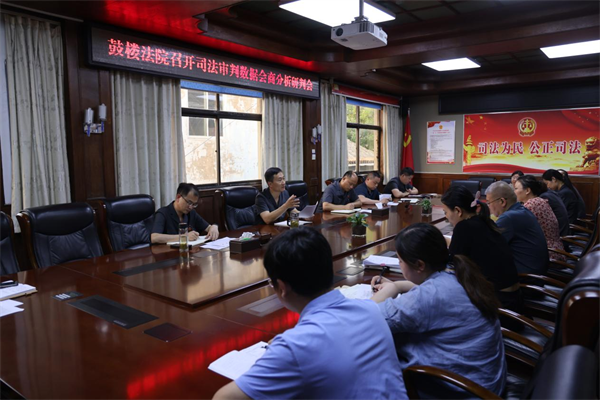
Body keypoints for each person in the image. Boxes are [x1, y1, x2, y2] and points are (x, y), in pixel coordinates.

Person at [213, 228, 403, 400]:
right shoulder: (371, 310)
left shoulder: (295, 346)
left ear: (282, 288)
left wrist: (284, 351)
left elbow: (222, 398)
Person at [371, 223, 506, 399]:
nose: (399, 264)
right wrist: (397, 286)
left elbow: (367, 318)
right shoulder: (458, 272)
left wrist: (389, 290)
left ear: (419, 265)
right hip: (485, 382)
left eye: (400, 260)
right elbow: (438, 296)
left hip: (464, 391)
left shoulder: (429, 295)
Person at [441, 186, 521, 312]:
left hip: (498, 305)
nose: (446, 217)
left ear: (458, 210)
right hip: (514, 300)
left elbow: (451, 265)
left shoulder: (463, 227)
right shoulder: (485, 222)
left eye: (445, 212)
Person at [485, 181, 549, 274]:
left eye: (489, 202)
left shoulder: (508, 218)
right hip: (536, 270)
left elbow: (488, 246)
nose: (488, 206)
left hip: (526, 277)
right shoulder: (522, 210)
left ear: (502, 202)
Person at [514, 175, 566, 262]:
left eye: (516, 188)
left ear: (527, 190)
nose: (514, 192)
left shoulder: (530, 205)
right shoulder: (540, 200)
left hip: (548, 254)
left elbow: (516, 229)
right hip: (556, 250)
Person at [151, 183, 219, 243]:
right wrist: (184, 237)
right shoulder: (163, 213)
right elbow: (154, 237)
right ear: (178, 197)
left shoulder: (191, 213)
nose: (191, 207)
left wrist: (214, 227)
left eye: (194, 204)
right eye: (189, 202)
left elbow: (208, 227)